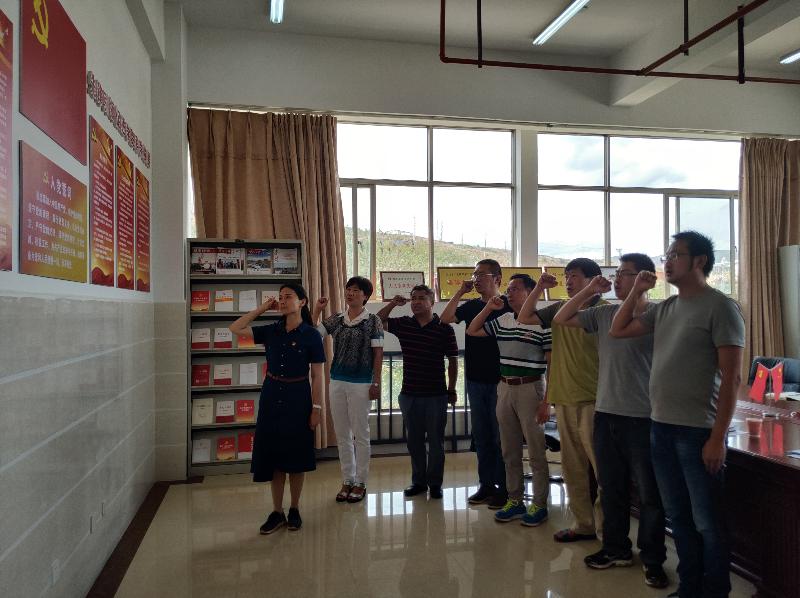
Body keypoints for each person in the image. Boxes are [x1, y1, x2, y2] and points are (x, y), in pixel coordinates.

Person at [610, 231, 744, 598]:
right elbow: (618, 329)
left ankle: (714, 591)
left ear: (700, 261)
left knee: (707, 521)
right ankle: (689, 587)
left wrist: (718, 437)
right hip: (661, 428)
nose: (667, 261)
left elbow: (732, 378)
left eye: (676, 255)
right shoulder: (665, 308)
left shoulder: (721, 307)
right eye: (666, 255)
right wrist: (637, 292)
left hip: (697, 431)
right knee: (680, 517)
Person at [552, 254, 669, 589]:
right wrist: (590, 289)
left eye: (625, 274)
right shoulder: (603, 314)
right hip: (606, 414)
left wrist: (639, 293)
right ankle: (616, 548)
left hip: (644, 416)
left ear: (645, 278)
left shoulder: (657, 314)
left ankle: (653, 560)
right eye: (616, 273)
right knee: (611, 487)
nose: (617, 279)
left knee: (649, 494)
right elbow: (561, 317)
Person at [517, 258, 606, 543]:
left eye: (574, 276)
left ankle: (608, 533)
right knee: (573, 468)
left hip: (595, 400)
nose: (568, 281)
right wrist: (539, 287)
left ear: (593, 279)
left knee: (603, 471)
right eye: (566, 276)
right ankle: (584, 524)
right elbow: (524, 316)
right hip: (565, 398)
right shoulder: (559, 308)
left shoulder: (604, 311)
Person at [229, 283, 325, 535]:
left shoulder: (311, 335)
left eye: (288, 297)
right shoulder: (271, 330)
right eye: (280, 297)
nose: (282, 301)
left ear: (302, 302)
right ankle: (276, 511)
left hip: (298, 396)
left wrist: (316, 408)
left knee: (296, 456)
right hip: (271, 395)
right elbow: (235, 328)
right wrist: (262, 308)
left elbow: (317, 375)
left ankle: (294, 508)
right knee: (274, 457)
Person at [466, 274, 552, 527]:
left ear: (530, 292)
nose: (509, 293)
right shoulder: (503, 319)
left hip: (531, 388)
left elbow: (553, 364)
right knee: (509, 449)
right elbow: (472, 330)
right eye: (509, 289)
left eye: (515, 289)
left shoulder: (542, 323)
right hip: (504, 387)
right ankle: (515, 500)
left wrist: (547, 401)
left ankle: (540, 504)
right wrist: (488, 308)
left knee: (536, 451)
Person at [440, 259, 512, 509]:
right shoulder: (471, 305)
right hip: (475, 380)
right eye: (474, 274)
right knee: (481, 436)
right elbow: (445, 318)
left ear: (497, 279)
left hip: (501, 380)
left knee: (500, 437)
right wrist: (460, 291)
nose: (476, 278)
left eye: (482, 274)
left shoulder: (508, 306)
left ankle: (505, 488)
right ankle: (486, 485)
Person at [377, 285, 459, 500]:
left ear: (432, 302)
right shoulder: (405, 324)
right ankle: (419, 482)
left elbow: (452, 361)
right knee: (414, 443)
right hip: (409, 394)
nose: (416, 302)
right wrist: (393, 303)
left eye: (422, 298)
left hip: (436, 395)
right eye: (413, 298)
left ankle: (435, 484)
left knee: (436, 442)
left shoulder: (444, 328)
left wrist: (451, 389)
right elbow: (377, 321)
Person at [313, 276, 384, 503]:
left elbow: (378, 354)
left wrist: (376, 382)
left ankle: (361, 482)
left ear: (365, 296)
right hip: (337, 381)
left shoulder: (373, 320)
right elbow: (314, 335)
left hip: (362, 383)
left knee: (361, 434)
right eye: (348, 289)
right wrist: (317, 310)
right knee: (342, 434)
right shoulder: (337, 318)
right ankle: (347, 479)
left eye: (356, 290)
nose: (350, 293)